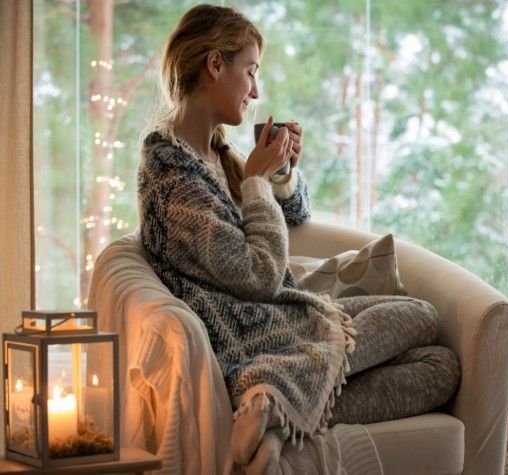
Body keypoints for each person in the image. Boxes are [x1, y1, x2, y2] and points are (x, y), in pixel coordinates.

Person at [137, 4, 461, 474]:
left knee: (438, 363)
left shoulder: (213, 153)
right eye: (250, 72)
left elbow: (294, 216)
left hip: (281, 323)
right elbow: (259, 277)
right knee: (420, 318)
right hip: (248, 339)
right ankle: (266, 388)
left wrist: (280, 175)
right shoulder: (171, 172)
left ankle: (274, 415)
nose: (255, 89)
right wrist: (256, 184)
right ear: (214, 64)